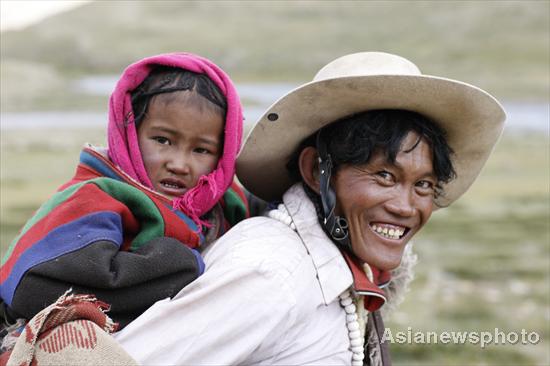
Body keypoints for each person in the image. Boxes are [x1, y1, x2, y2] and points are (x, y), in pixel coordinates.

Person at [113, 51, 506, 365]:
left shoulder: (345, 269)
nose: (406, 206)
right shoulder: (272, 270)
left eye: (423, 185)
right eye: (384, 176)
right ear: (316, 171)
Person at [0, 52, 249, 331]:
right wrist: (183, 263)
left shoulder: (221, 202)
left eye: (201, 150)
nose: (179, 164)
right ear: (129, 133)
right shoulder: (96, 196)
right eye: (163, 140)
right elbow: (36, 285)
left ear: (223, 156)